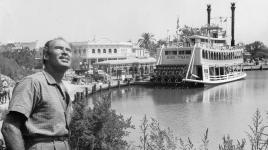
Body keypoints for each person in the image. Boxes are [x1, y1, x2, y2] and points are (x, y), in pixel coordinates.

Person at [1, 37, 73, 150]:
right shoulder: (33, 83)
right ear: (46, 56)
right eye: (59, 48)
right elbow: (9, 127)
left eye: (68, 50)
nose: (65, 52)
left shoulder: (62, 88)